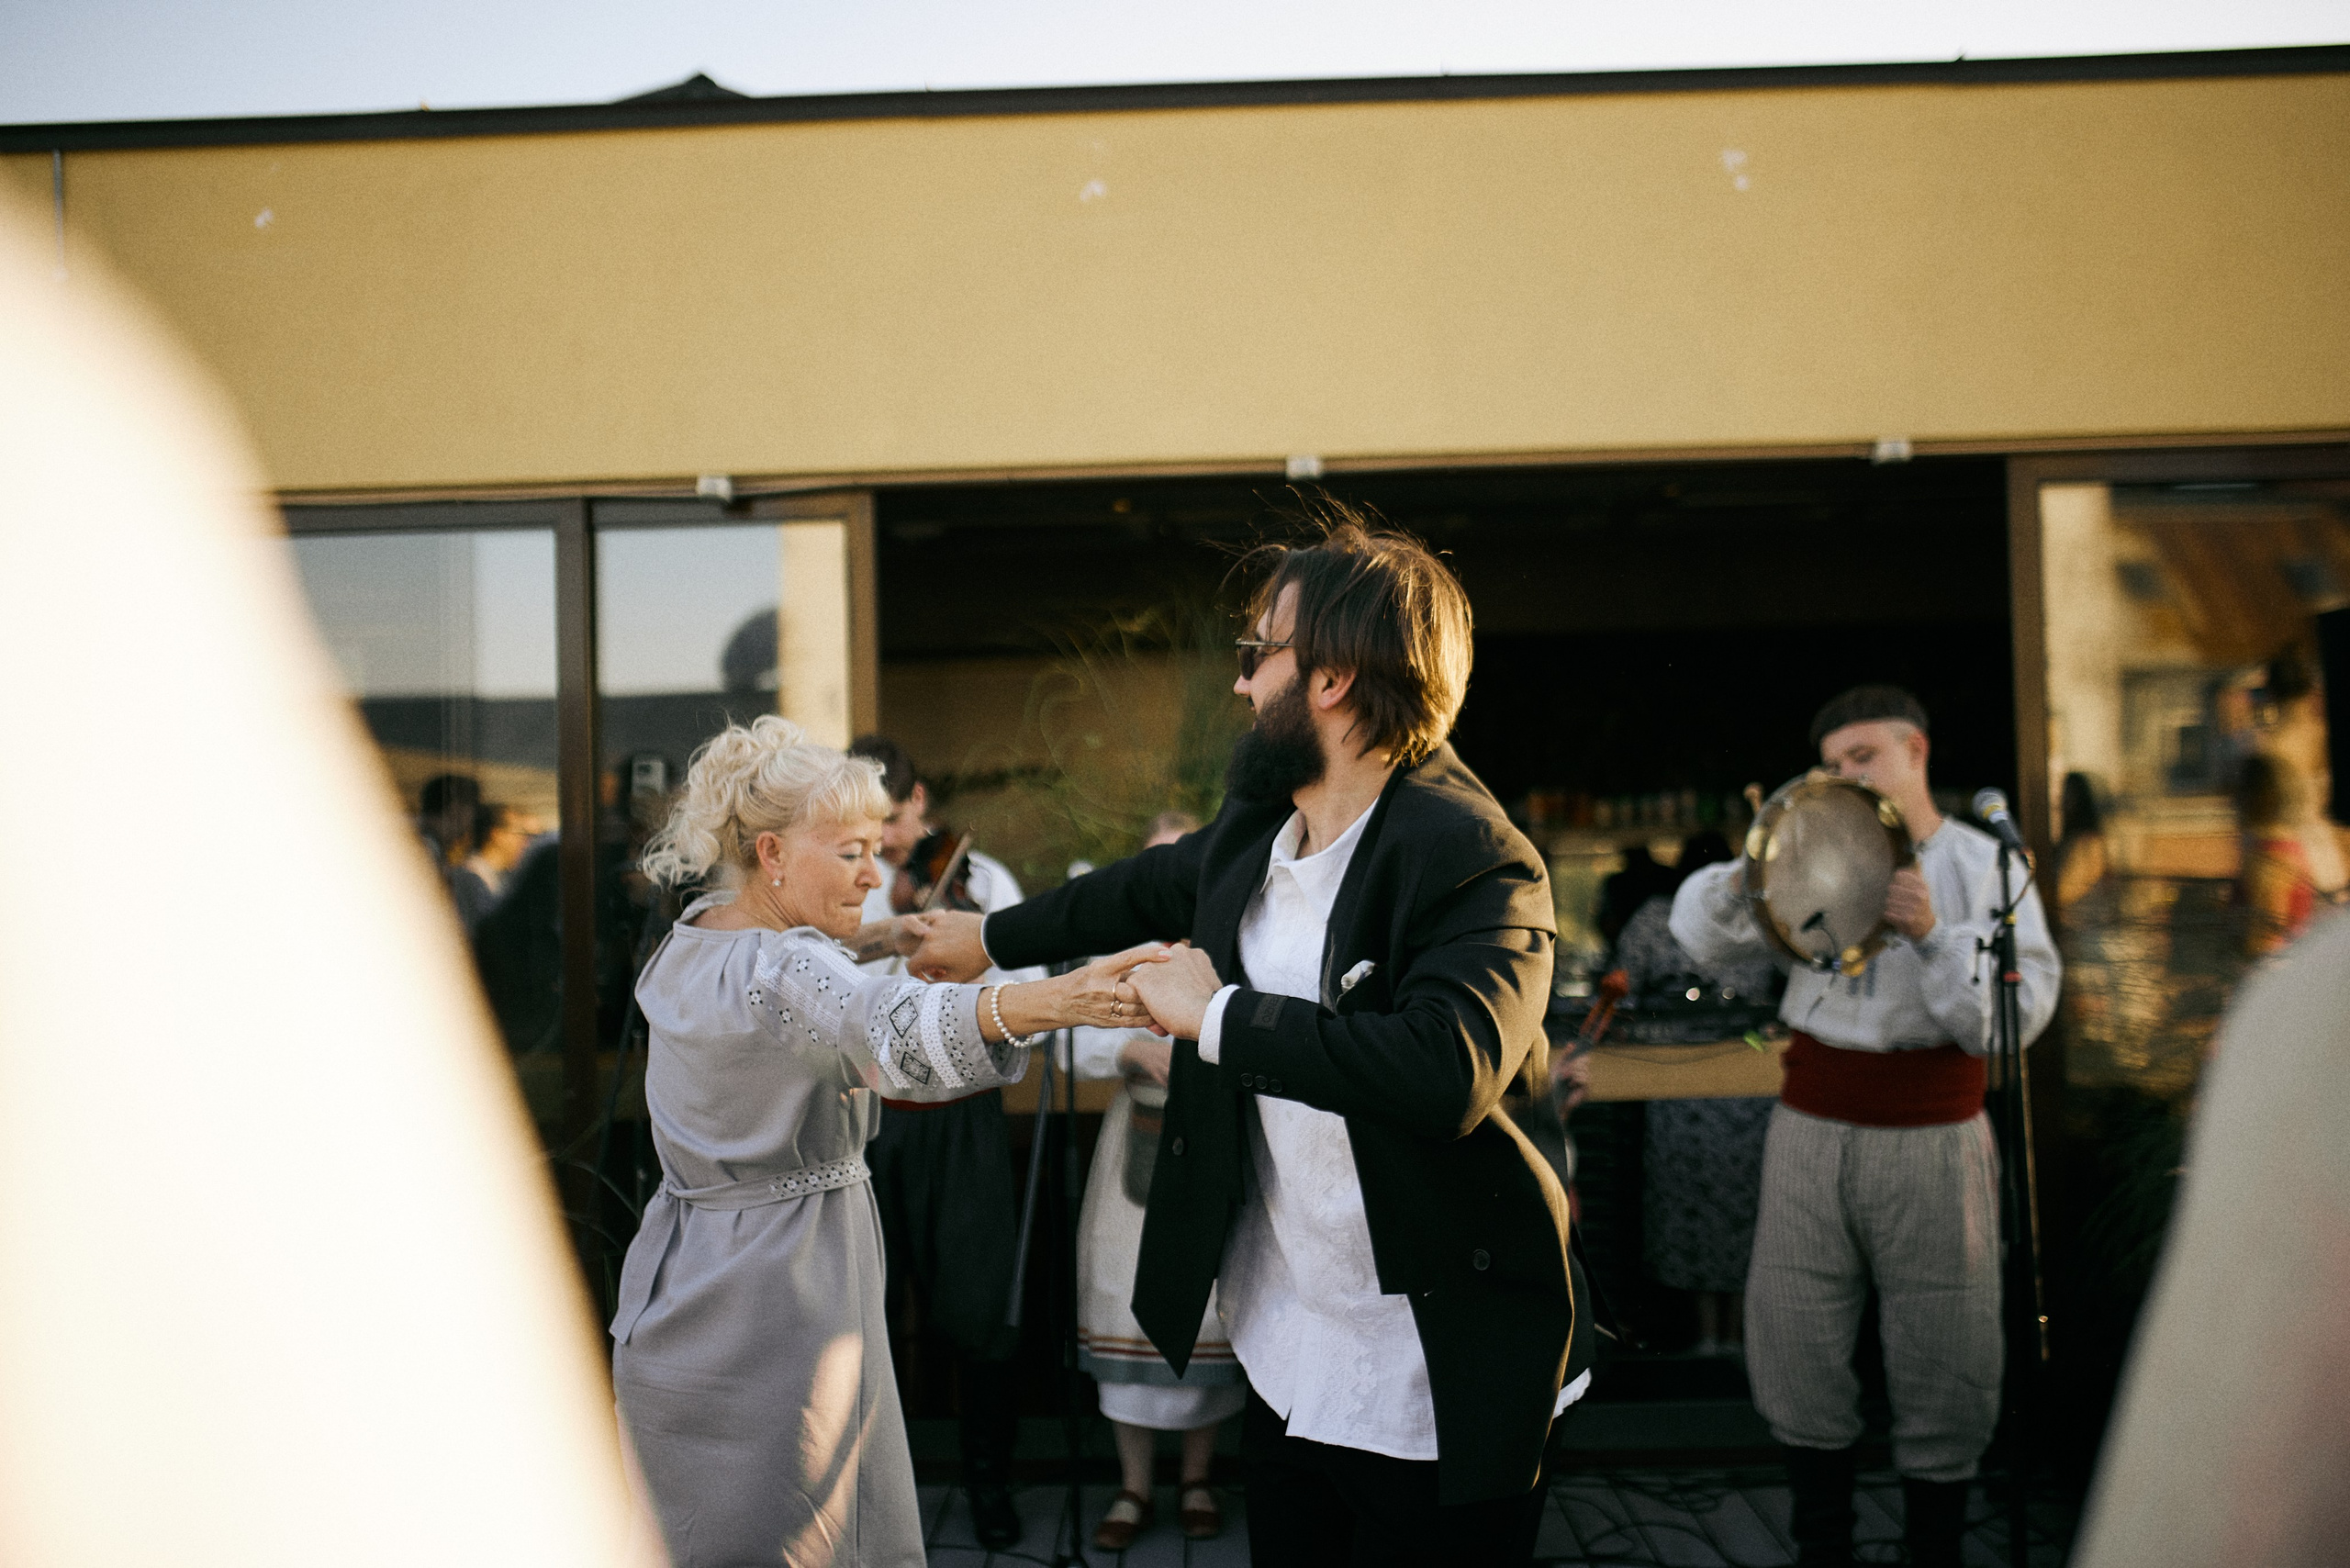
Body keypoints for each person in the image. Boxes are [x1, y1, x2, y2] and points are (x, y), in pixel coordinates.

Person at [913, 510, 1597, 1566]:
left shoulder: (1476, 858)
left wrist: (1217, 1017)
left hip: (1432, 1366)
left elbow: (1443, 1069)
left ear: (1327, 678)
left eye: (1255, 655)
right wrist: (988, 936)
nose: (1239, 684)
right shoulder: (1259, 816)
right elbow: (1145, 884)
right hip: (1289, 1347)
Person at [608, 716, 1164, 1568]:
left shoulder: (692, 940)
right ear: (773, 855)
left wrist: (882, 936)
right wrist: (1064, 999)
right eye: (852, 852)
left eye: (878, 848)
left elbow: (786, 975)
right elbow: (883, 1023)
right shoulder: (787, 968)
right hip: (783, 1288)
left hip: (685, 1284)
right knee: (808, 1525)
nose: (875, 874)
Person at [1670, 685, 2061, 1568]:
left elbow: (2014, 1020)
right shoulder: (1813, 849)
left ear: (1916, 752)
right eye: (1834, 764)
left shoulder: (1983, 864)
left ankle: (1936, 1551)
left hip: (1935, 1136)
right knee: (1796, 1336)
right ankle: (1823, 1549)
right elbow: (1702, 937)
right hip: (1811, 1126)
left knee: (1946, 1346)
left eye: (1864, 758)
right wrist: (1753, 866)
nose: (1847, 775)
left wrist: (1934, 935)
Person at [843, 734, 1040, 1550]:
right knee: (864, 1312)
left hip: (960, 1118)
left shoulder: (982, 880)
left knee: (978, 1307)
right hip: (870, 1118)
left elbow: (1026, 997)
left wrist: (968, 951)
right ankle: (868, 1500)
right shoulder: (848, 887)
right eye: (866, 824)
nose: (885, 841)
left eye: (890, 820)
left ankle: (990, 1483)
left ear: (918, 803)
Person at [1069, 809, 1244, 1551]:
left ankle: (1196, 1479)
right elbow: (1070, 1044)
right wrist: (1131, 1053)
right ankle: (1134, 1486)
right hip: (1132, 1141)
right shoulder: (1117, 946)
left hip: (1209, 1141)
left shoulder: (1232, 941)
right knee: (1119, 1296)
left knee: (1210, 1308)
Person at [1616, 829, 1780, 1358]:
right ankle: (1722, 1338)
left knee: (1714, 1210)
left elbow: (1624, 988)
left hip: (1711, 1084)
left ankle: (1718, 1337)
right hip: (1718, 1083)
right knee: (1718, 1209)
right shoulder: (1757, 915)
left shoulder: (1660, 917)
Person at [2233, 752, 2349, 956]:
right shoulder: (2286, 846)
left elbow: (2267, 940)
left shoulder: (2269, 857)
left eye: (2239, 793)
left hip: (2273, 973)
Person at [447, 801, 533, 933]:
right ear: (497, 834)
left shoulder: (505, 876)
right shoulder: (467, 878)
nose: (525, 841)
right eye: (520, 833)